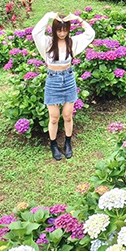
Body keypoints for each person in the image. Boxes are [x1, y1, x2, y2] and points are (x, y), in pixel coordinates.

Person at [31, 11, 95, 161]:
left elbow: (90, 33)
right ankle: (53, 144)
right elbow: (35, 32)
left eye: (65, 30)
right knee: (54, 117)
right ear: (54, 30)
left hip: (68, 79)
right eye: (59, 30)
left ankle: (67, 143)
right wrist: (48, 16)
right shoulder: (46, 43)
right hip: (52, 81)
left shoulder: (72, 42)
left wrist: (79, 19)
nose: (62, 33)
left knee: (67, 116)